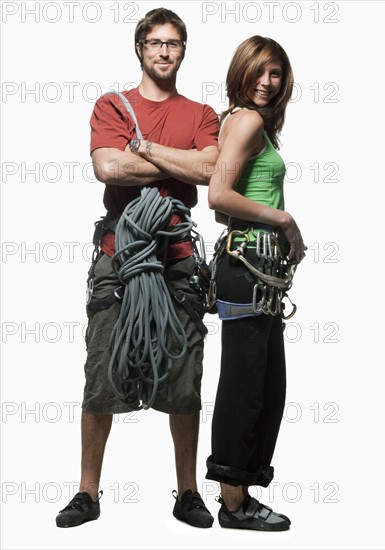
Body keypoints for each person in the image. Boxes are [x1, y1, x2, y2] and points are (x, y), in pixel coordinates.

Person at [55, 8, 219, 529]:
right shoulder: (111, 104)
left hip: (177, 258)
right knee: (102, 362)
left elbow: (212, 169)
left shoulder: (201, 113)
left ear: (183, 50)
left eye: (174, 43)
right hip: (118, 254)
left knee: (183, 366)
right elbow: (107, 166)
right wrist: (179, 161)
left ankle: (188, 491)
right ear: (140, 49)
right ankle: (87, 492)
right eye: (155, 42)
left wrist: (143, 149)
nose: (164, 52)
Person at [205, 36, 307, 531]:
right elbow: (218, 196)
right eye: (260, 72)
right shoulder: (245, 120)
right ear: (242, 71)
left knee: (266, 386)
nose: (268, 83)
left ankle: (240, 493)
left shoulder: (253, 125)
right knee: (245, 387)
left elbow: (227, 199)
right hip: (246, 267)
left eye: (277, 74)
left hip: (258, 270)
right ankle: (233, 503)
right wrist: (284, 220)